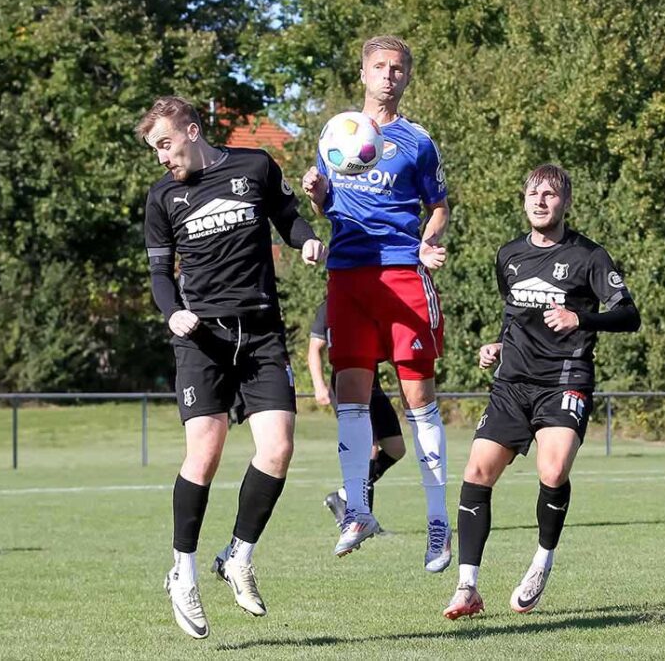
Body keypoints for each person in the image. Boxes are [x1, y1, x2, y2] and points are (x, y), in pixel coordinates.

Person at [137, 96, 326, 639]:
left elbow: (288, 221)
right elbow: (158, 275)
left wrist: (309, 239)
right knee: (206, 451)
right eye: (155, 150)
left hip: (261, 332)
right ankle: (184, 571)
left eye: (165, 144)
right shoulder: (162, 197)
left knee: (280, 448)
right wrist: (173, 314)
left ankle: (238, 556)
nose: (161, 157)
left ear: (192, 131)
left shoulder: (255, 165)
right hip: (202, 338)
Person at [443, 165, 641, 619]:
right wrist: (497, 343)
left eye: (549, 195)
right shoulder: (508, 255)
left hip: (565, 379)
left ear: (565, 202)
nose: (539, 201)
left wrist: (581, 318)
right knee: (476, 472)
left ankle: (540, 562)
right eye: (533, 194)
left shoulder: (590, 257)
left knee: (552, 472)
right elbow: (514, 312)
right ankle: (467, 586)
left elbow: (629, 316)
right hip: (512, 383)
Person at [301, 35, 452, 571]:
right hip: (347, 277)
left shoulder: (417, 141)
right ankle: (357, 510)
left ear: (407, 76)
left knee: (419, 403)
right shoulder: (337, 133)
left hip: (402, 274)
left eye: (398, 68)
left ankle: (438, 521)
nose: (388, 76)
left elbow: (438, 207)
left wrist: (428, 242)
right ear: (363, 73)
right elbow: (328, 206)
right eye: (380, 67)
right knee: (351, 399)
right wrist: (316, 192)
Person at [307, 300, 406, 526]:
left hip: (374, 384)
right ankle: (361, 519)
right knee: (368, 448)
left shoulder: (368, 303)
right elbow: (315, 349)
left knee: (396, 449)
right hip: (345, 383)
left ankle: (344, 494)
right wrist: (319, 386)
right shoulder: (328, 307)